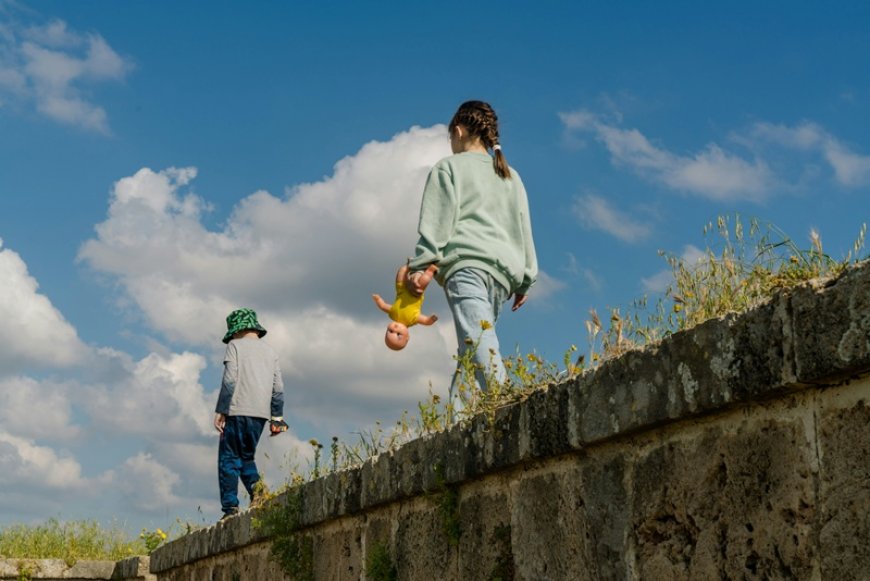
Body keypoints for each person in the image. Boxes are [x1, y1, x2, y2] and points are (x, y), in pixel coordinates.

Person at [406, 100, 538, 419]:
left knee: (478, 340)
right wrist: (527, 278)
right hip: (504, 274)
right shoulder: (510, 174)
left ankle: (507, 405)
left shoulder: (449, 168)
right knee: (471, 349)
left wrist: (420, 266)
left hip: (467, 266)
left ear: (458, 131)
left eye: (451, 139)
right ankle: (459, 424)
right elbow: (523, 226)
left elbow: (437, 221)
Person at [214, 308, 288, 520]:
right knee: (246, 457)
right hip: (260, 415)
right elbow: (278, 388)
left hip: (237, 409)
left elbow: (229, 380)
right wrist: (277, 419)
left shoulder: (235, 346)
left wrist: (221, 410)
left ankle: (230, 509)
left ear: (236, 331)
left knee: (229, 458)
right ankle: (260, 496)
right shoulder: (270, 352)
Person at [372, 262, 439, 350]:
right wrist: (432, 319)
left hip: (401, 288)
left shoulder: (392, 314)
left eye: (390, 331)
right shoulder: (412, 319)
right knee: (423, 282)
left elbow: (383, 306)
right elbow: (426, 321)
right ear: (407, 336)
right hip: (415, 293)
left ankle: (410, 265)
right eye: (398, 334)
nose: (395, 329)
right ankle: (431, 270)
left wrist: (378, 300)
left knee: (401, 271)